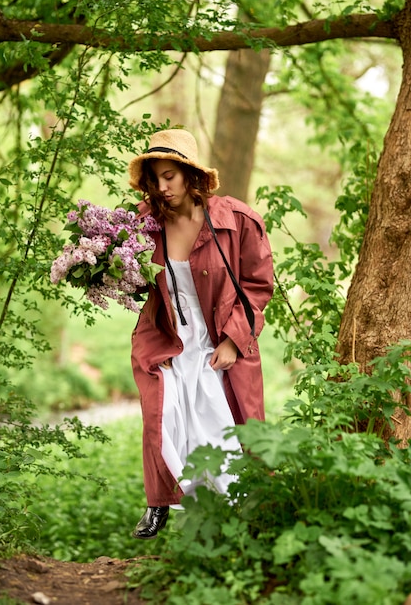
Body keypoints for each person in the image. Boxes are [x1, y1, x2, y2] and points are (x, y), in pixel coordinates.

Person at [128, 128, 274, 539]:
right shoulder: (143, 224)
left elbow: (258, 286)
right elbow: (137, 283)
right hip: (167, 335)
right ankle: (159, 502)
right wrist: (103, 269)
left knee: (220, 423)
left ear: (190, 175)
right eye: (155, 177)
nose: (162, 186)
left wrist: (232, 340)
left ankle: (243, 518)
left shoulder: (236, 220)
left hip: (220, 334)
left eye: (169, 175)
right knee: (166, 412)